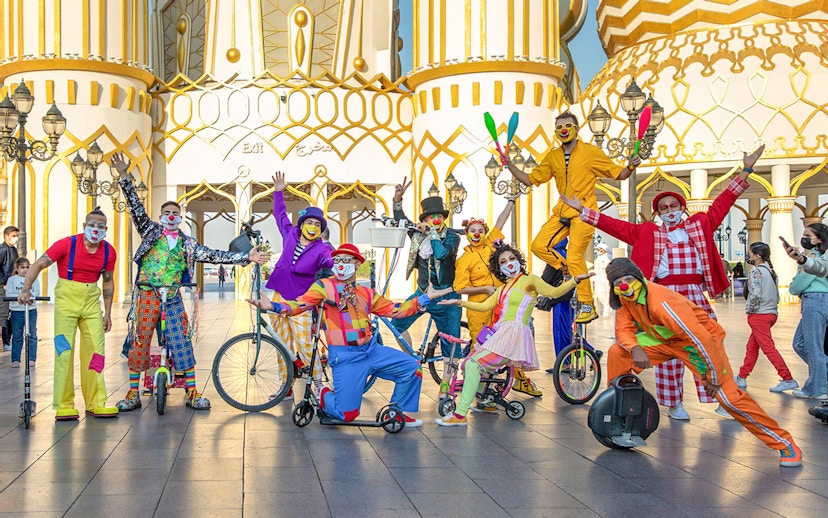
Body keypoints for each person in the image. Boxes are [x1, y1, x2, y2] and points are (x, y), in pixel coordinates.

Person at [560, 144, 764, 420]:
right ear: (657, 212)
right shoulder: (648, 232)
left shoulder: (699, 224)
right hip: (662, 296)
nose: (669, 210)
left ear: (682, 207)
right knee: (668, 352)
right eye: (664, 207)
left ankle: (718, 397)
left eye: (674, 205)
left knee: (708, 344)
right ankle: (674, 403)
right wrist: (583, 211)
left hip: (693, 295)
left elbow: (722, 203)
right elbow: (616, 227)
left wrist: (747, 169)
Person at [604, 258, 802, 467]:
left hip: (697, 343)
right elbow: (623, 329)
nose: (623, 286)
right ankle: (618, 415)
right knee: (618, 352)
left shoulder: (662, 302)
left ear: (638, 278)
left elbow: (701, 340)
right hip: (664, 340)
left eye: (627, 279)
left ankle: (784, 442)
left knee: (729, 398)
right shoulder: (627, 298)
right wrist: (635, 348)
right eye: (617, 283)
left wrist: (713, 378)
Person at [110, 153, 268, 412]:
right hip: (148, 295)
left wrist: (245, 257)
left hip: (172, 296)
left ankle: (192, 391)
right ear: (160, 216)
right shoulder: (150, 232)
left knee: (181, 341)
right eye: (167, 212)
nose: (171, 216)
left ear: (180, 217)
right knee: (140, 340)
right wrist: (125, 176)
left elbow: (215, 255)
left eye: (175, 213)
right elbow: (135, 206)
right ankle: (132, 392)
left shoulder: (187, 243)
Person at [247, 243, 452, 426]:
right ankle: (322, 393)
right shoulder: (324, 286)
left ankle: (397, 411)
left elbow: (394, 309)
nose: (341, 264)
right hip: (346, 357)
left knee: (413, 368)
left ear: (356, 264)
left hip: (372, 350)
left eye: (346, 260)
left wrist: (424, 298)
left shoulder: (366, 293)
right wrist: (273, 306)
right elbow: (300, 304)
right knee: (347, 414)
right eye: (337, 260)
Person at [502, 110, 640, 323]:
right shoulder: (553, 156)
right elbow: (530, 180)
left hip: (583, 212)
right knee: (538, 246)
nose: (563, 130)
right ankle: (566, 268)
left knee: (575, 255)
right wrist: (510, 164)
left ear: (576, 129)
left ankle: (587, 304)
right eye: (559, 127)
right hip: (562, 210)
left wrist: (630, 166)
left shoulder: (590, 153)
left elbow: (618, 173)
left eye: (568, 126)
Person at [435, 243, 592, 426]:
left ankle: (460, 415)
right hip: (500, 334)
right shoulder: (503, 288)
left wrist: (574, 281)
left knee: (473, 364)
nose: (509, 263)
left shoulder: (530, 280)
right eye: (503, 261)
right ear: (498, 268)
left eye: (512, 259)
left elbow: (553, 292)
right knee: (468, 363)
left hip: (514, 334)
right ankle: (487, 401)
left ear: (519, 260)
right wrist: (459, 303)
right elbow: (485, 306)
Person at [18, 208, 119, 420]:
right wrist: (26, 289)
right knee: (64, 351)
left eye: (101, 226)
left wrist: (108, 312)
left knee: (96, 352)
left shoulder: (109, 252)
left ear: (106, 229)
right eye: (92, 224)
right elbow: (39, 264)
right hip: (66, 300)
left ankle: (96, 402)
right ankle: (64, 404)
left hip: (92, 301)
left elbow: (108, 280)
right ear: (84, 226)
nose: (96, 229)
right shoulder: (67, 244)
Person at [453, 194, 540, 396]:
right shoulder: (465, 259)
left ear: (485, 232)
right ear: (467, 233)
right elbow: (460, 288)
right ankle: (482, 393)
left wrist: (511, 201)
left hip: (503, 308)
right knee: (482, 351)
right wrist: (484, 290)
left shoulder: (491, 244)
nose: (477, 234)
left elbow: (501, 221)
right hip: (480, 311)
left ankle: (519, 380)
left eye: (480, 230)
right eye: (473, 231)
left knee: (511, 345)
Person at [264, 171, 334, 391]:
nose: (312, 226)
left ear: (321, 229)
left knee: (305, 345)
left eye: (317, 224)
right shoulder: (290, 234)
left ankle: (318, 386)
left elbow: (331, 262)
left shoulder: (323, 248)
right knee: (282, 343)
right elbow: (280, 215)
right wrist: (278, 192)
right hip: (279, 294)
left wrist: (341, 261)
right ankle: (286, 386)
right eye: (309, 222)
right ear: (302, 223)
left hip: (302, 301)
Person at [391, 177, 462, 357]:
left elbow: (441, 254)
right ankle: (410, 359)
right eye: (432, 217)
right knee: (396, 324)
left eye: (439, 217)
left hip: (447, 295)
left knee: (450, 344)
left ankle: (447, 383)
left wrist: (431, 233)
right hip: (422, 294)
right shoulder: (417, 235)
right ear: (426, 218)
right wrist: (397, 200)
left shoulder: (453, 237)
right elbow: (401, 219)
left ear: (444, 218)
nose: (436, 220)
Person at [735, 242, 798, 392]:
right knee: (752, 346)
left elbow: (755, 295)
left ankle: (787, 378)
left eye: (750, 253)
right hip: (770, 313)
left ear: (757, 256)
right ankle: (742, 376)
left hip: (759, 315)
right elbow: (776, 295)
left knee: (768, 348)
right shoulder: (771, 271)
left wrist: (750, 310)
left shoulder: (756, 272)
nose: (748, 256)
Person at [781, 223, 828, 400]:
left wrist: (793, 287)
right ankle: (821, 377)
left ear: (819, 239)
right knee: (800, 344)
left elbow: (799, 284)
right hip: (815, 301)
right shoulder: (814, 256)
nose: (804, 239)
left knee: (813, 347)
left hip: (815, 300)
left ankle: (816, 389)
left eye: (808, 236)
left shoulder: (815, 257)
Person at [6, 257, 39, 368]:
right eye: (22, 267)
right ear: (17, 268)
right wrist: (21, 297)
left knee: (32, 334)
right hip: (17, 311)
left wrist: (28, 297)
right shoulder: (12, 280)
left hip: (31, 310)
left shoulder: (33, 279)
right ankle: (15, 359)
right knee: (17, 335)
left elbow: (37, 293)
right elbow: (9, 294)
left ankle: (32, 359)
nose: (25, 270)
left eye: (27, 267)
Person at [0, 225, 20, 352]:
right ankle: (5, 341)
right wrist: (3, 283)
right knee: (4, 314)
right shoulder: (2, 250)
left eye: (17, 236)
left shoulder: (13, 249)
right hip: (4, 287)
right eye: (13, 236)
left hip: (11, 286)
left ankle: (9, 339)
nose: (16, 238)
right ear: (6, 236)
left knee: (12, 313)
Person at [593, 242, 612, 319]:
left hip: (606, 281)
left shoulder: (608, 259)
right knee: (600, 295)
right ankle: (607, 308)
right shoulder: (598, 259)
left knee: (607, 296)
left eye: (600, 250)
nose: (598, 251)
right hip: (599, 280)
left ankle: (606, 312)